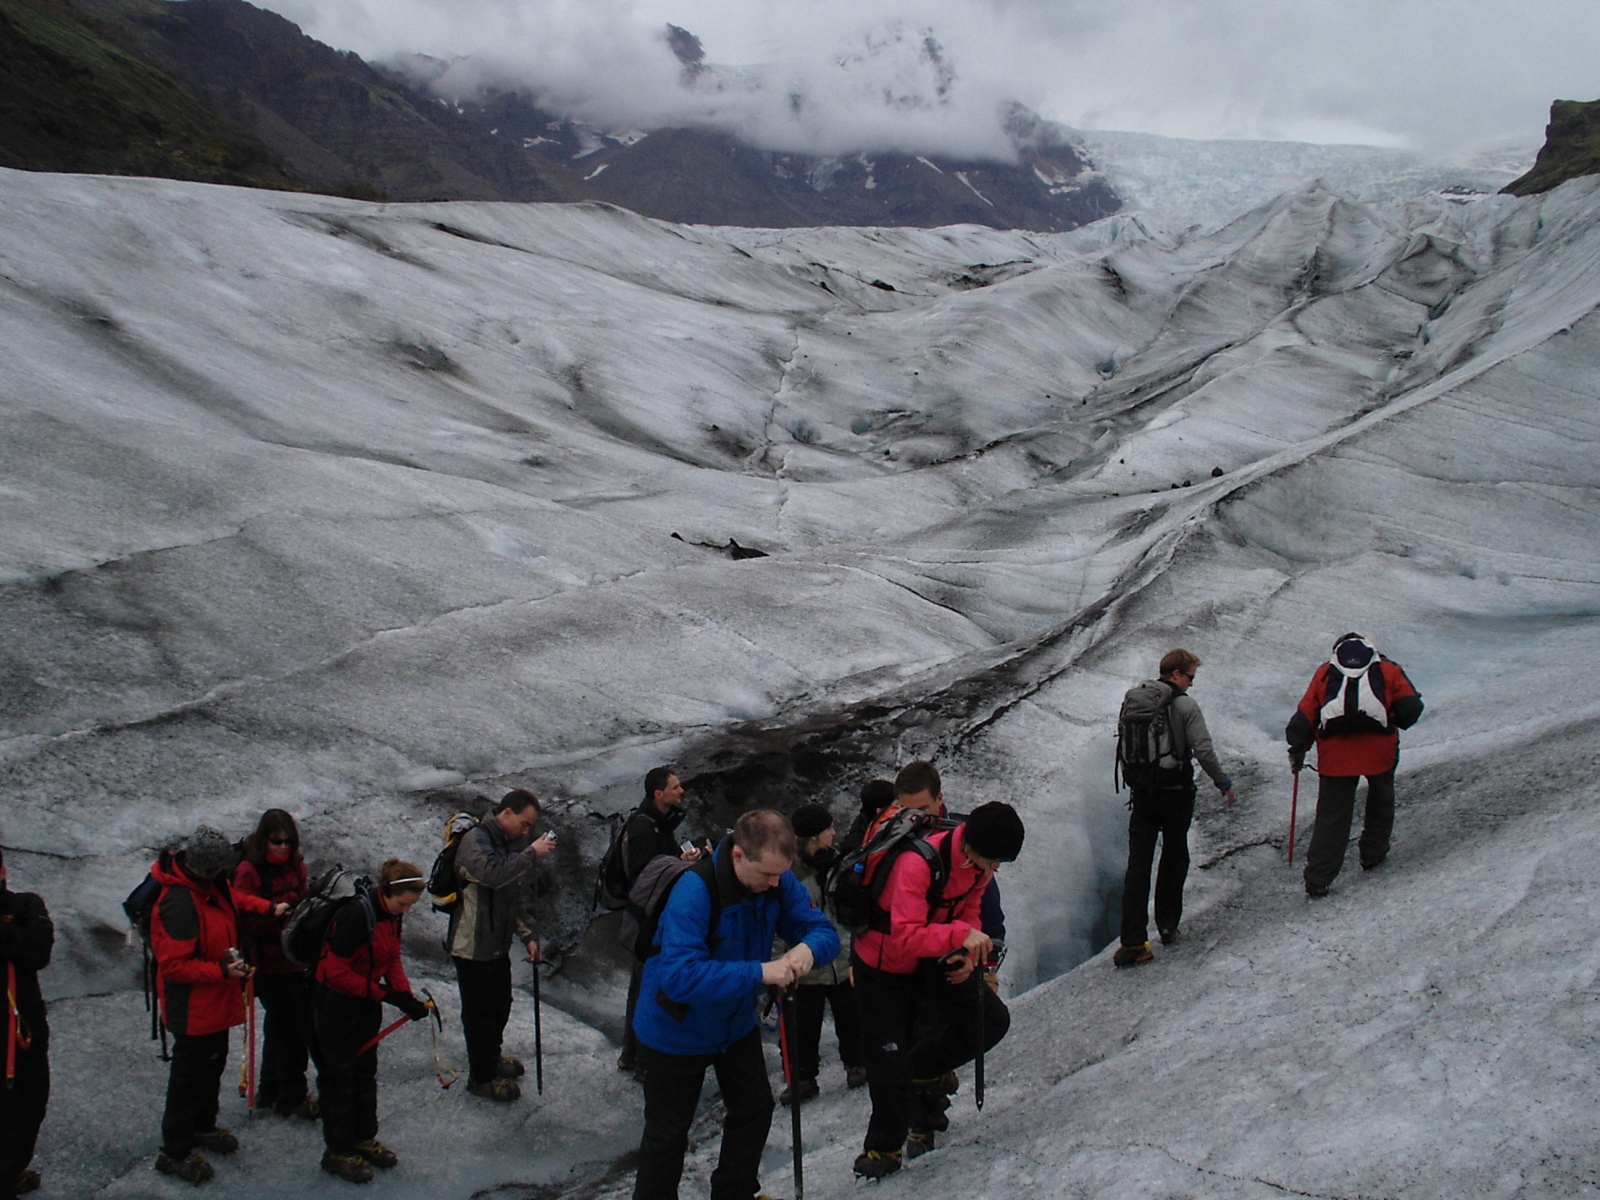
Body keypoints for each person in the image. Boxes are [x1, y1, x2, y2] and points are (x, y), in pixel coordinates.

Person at [631, 810, 838, 1200]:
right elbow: (679, 977)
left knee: (755, 1109)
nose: (775, 885)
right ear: (739, 855)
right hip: (675, 1029)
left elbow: (823, 931)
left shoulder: (776, 879)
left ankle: (734, 1192)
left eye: (781, 875)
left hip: (734, 1024)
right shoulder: (694, 891)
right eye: (767, 876)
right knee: (667, 1136)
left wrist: (808, 950)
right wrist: (761, 973)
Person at [850, 801, 1024, 1179]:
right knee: (887, 1056)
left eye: (998, 864)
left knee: (988, 1020)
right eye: (991, 862)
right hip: (884, 963)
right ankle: (883, 1149)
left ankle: (924, 1070)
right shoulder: (916, 863)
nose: (993, 872)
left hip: (934, 953)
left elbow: (970, 908)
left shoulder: (977, 866)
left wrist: (966, 953)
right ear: (971, 847)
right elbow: (905, 936)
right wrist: (962, 936)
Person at [1113, 649, 1238, 967]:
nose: (1193, 684)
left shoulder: (1136, 698)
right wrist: (1223, 782)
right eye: (1191, 677)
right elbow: (1203, 750)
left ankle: (1132, 941)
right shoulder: (1184, 705)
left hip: (1142, 793)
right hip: (1176, 792)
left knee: (1138, 866)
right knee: (1174, 855)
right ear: (1177, 674)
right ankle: (1167, 926)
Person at [312, 859, 431, 1184]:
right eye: (403, 904)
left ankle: (363, 1136)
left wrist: (404, 995)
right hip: (337, 1004)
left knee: (365, 1073)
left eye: (411, 906)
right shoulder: (356, 916)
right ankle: (337, 1150)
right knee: (340, 1077)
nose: (406, 911)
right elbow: (334, 971)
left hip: (365, 1003)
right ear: (389, 893)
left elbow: (391, 957)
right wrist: (381, 994)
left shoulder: (392, 917)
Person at [1286, 632, 1424, 897]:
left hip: (1336, 756)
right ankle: (1373, 854)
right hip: (1380, 751)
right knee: (1381, 800)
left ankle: (1318, 878)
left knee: (1332, 816)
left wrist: (1298, 750)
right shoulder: (1388, 669)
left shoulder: (1326, 672)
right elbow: (1411, 708)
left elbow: (1306, 715)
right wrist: (1391, 718)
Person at [149, 825, 250, 1185]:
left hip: (214, 1003)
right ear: (207, 867)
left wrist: (272, 908)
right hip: (192, 1008)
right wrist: (222, 971)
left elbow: (237, 902)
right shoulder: (179, 903)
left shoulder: (210, 887)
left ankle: (202, 1126)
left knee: (211, 1065)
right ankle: (174, 1150)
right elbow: (174, 965)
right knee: (188, 1078)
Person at [446, 788, 555, 1102]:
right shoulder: (475, 841)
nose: (526, 831)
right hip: (472, 945)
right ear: (506, 813)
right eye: (524, 824)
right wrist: (531, 853)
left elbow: (516, 895)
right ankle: (480, 1077)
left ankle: (490, 1058)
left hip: (496, 943)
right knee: (480, 1014)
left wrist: (529, 937)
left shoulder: (509, 844)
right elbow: (491, 875)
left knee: (499, 1006)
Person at [617, 766, 702, 1078]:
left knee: (642, 987)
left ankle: (632, 1055)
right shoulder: (643, 829)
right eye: (675, 787)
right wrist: (678, 866)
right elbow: (643, 878)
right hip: (649, 921)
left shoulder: (659, 823)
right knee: (646, 988)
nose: (681, 791)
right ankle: (641, 1061)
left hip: (655, 916)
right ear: (658, 794)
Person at [775, 804, 863, 1103]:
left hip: (842, 957)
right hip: (806, 961)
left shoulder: (839, 863)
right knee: (803, 1023)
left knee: (851, 1015)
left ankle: (857, 1063)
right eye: (828, 828)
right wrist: (779, 963)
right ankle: (802, 1078)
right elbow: (778, 920)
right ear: (814, 836)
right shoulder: (787, 872)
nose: (834, 832)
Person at [231, 809, 315, 1118]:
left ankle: (269, 1090)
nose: (282, 847)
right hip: (267, 964)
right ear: (263, 839)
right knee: (293, 1031)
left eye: (287, 842)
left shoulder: (297, 867)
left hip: (294, 959)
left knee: (281, 1026)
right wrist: (270, 911)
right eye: (276, 841)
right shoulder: (248, 871)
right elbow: (240, 909)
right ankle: (292, 1096)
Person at [0, 848, 53, 1200]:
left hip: (26, 1033)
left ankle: (12, 1173)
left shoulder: (22, 905)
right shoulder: (20, 913)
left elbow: (37, 952)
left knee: (31, 1107)